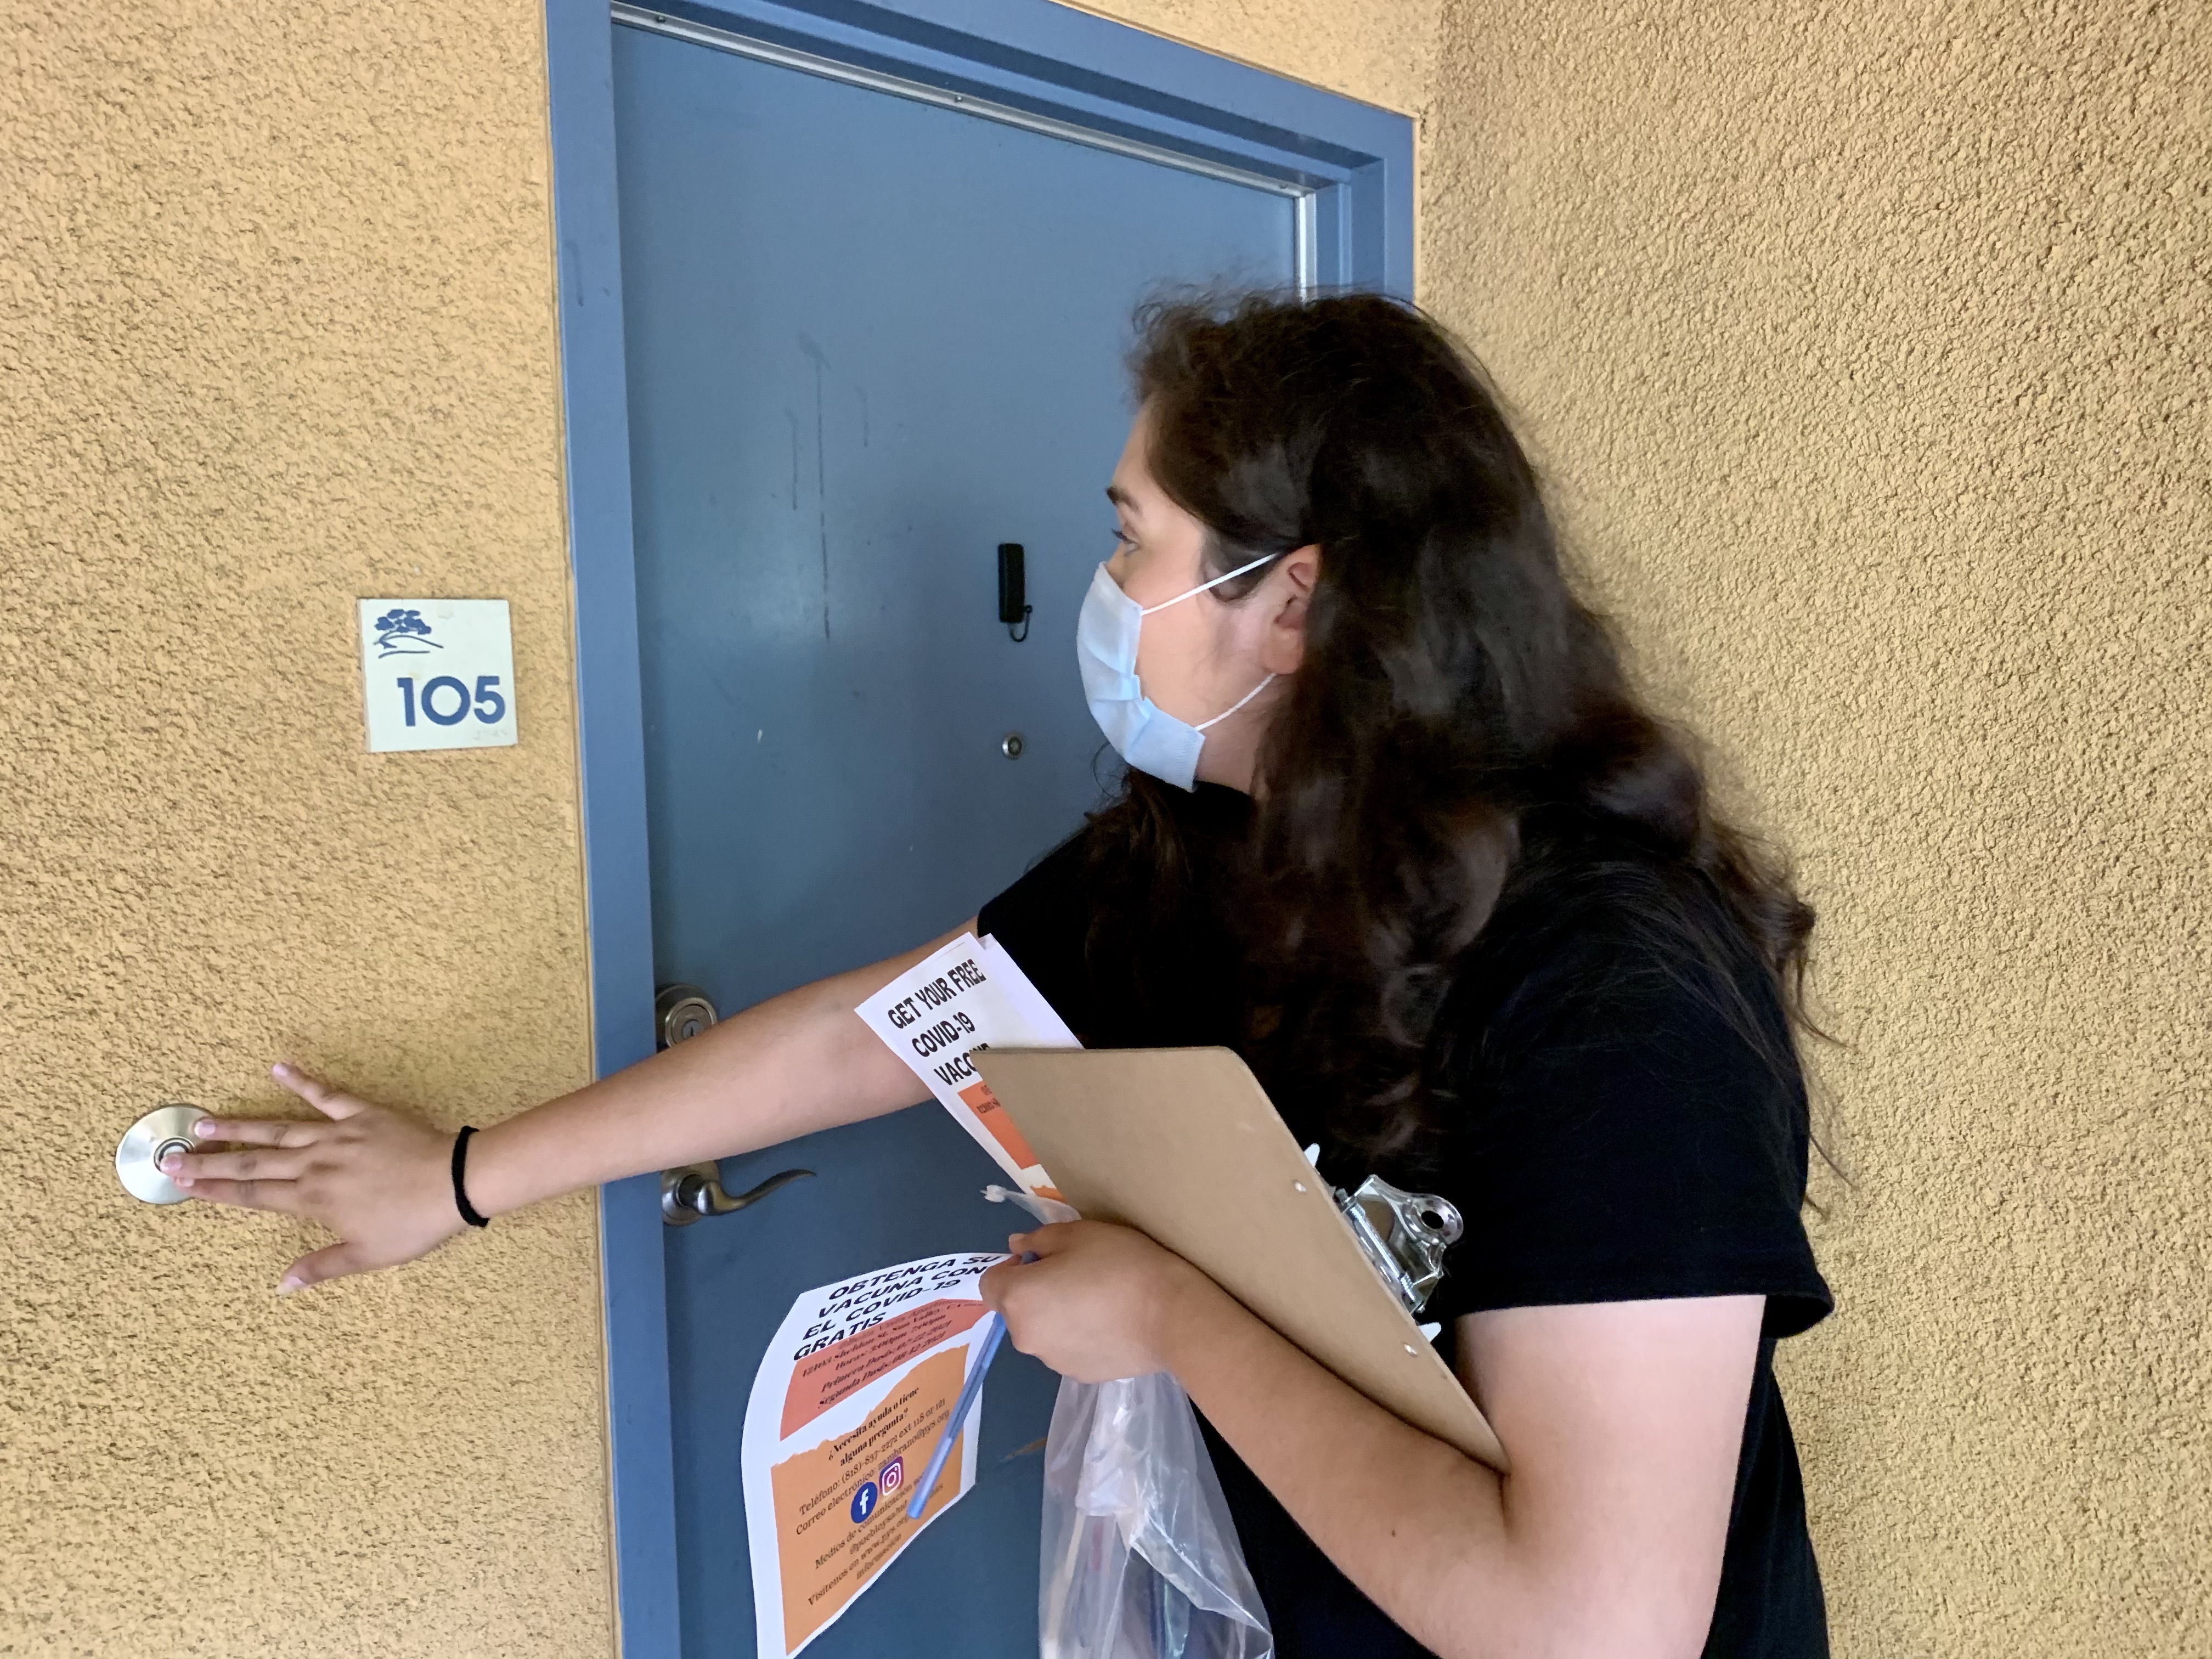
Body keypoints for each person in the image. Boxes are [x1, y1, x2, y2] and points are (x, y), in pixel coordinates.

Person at [166, 292, 1833, 1658]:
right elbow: (871, 1038)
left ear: (1293, 604)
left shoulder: (1615, 987)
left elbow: (1587, 1626)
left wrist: (1166, 1315)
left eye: (1133, 540)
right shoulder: (1201, 857)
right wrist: (463, 1179)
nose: (1104, 592)